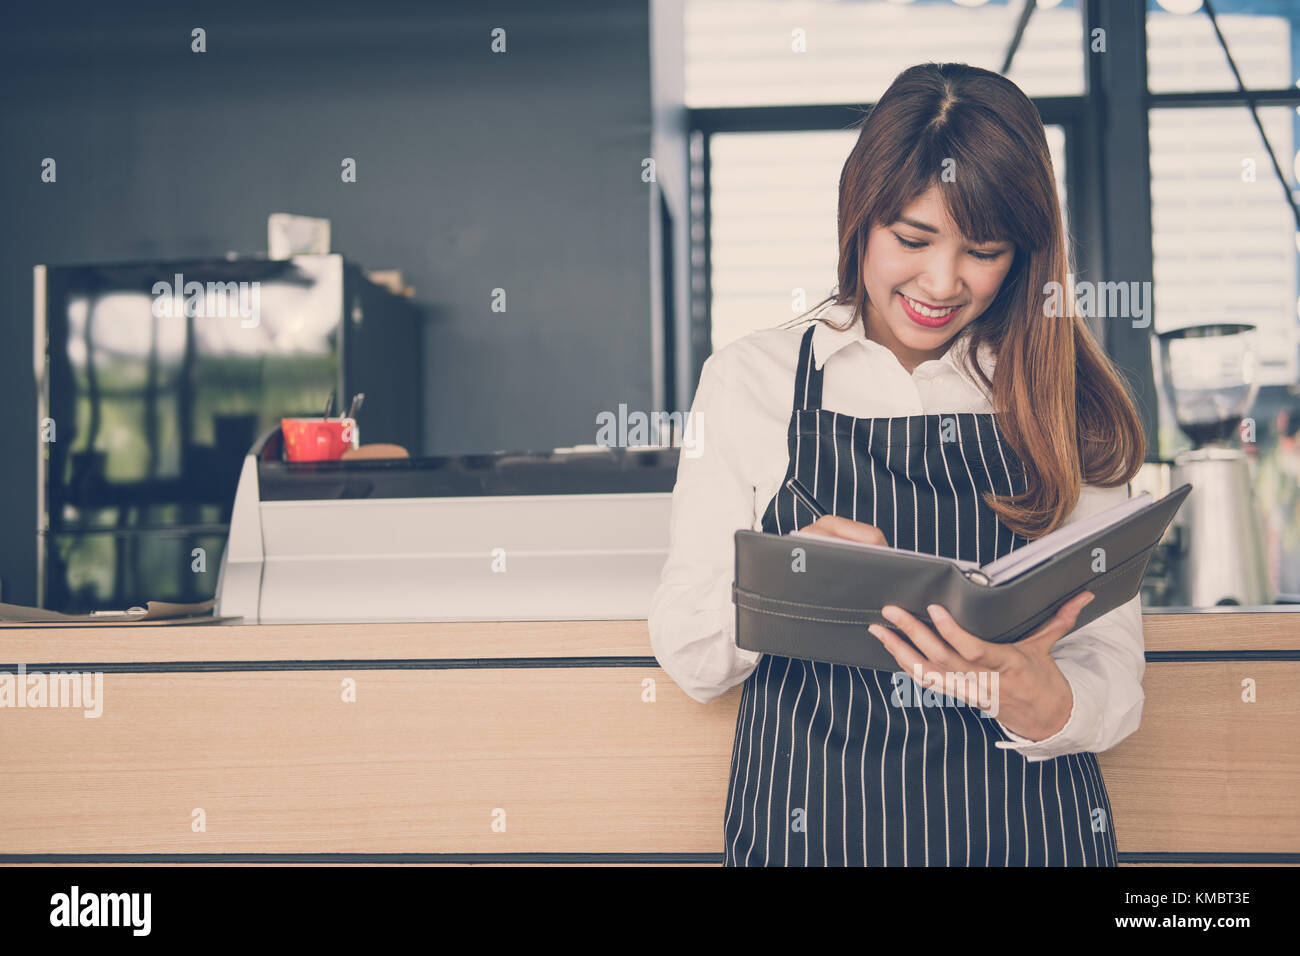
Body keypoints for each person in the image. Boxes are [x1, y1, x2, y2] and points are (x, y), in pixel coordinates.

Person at [648, 62, 1148, 867]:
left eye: (983, 251)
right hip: (811, 834)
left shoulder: (1068, 402)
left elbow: (1112, 673)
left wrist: (1047, 699)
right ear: (859, 216)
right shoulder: (749, 381)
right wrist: (789, 579)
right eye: (912, 240)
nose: (941, 283)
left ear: (1025, 254)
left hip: (1024, 834)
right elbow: (688, 652)